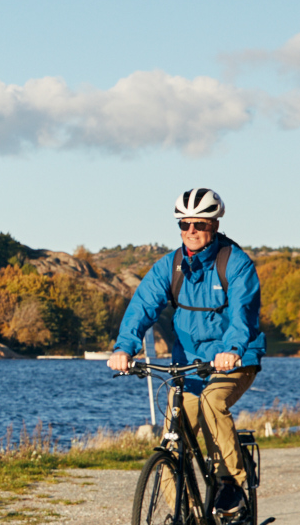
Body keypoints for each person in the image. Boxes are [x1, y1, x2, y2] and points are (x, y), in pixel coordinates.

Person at [105, 187, 265, 508]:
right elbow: (143, 305)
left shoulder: (235, 264)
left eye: (200, 224)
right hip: (189, 366)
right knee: (170, 446)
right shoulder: (171, 266)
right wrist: (125, 348)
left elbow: (242, 313)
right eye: (184, 224)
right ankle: (189, 522)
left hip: (235, 360)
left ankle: (230, 481)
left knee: (211, 401)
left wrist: (232, 348)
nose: (191, 231)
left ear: (215, 225)